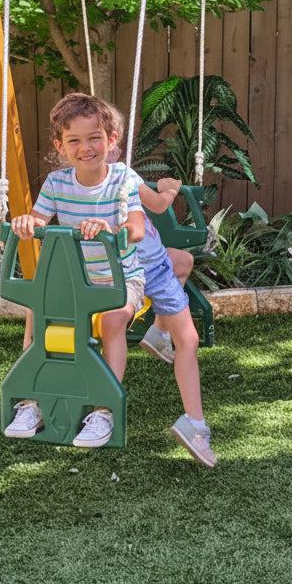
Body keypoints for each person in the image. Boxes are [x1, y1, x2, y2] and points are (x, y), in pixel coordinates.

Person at [4, 93, 145, 448]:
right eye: (75, 141)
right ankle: (32, 401)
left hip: (120, 278)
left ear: (111, 141)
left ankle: (103, 408)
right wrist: (24, 222)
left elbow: (137, 229)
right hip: (73, 280)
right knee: (37, 316)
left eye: (94, 137)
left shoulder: (123, 180)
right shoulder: (56, 182)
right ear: (60, 146)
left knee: (113, 321)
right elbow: (36, 220)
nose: (86, 148)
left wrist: (111, 230)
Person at [133, 176, 216, 467]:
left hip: (154, 260)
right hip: (142, 268)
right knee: (189, 340)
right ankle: (195, 425)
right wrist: (170, 190)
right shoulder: (120, 175)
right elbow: (157, 205)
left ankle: (157, 332)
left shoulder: (119, 174)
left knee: (182, 261)